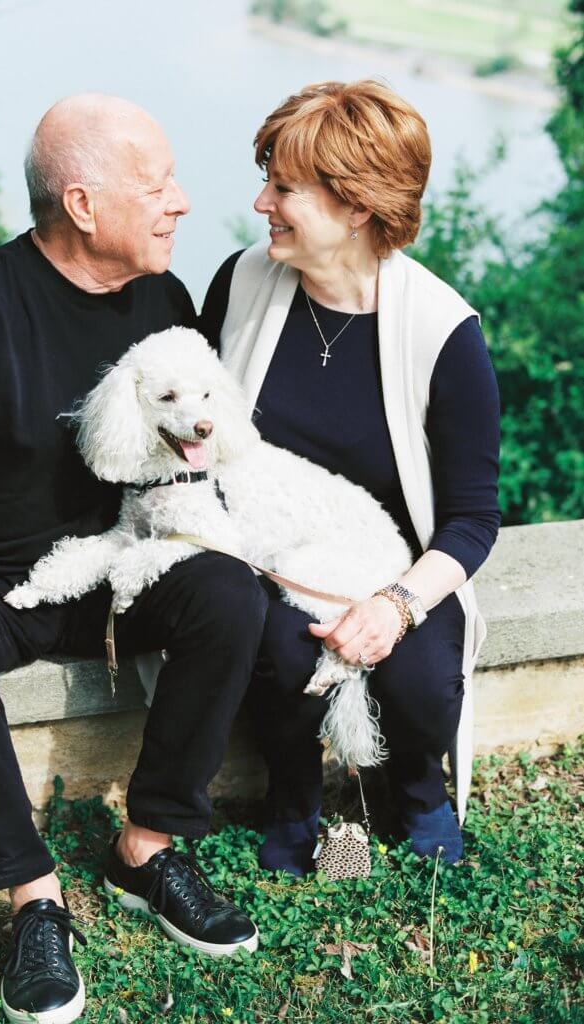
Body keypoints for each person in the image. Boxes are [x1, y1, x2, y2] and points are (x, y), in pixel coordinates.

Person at [0, 94, 264, 1024]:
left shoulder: (162, 299)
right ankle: (34, 896)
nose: (180, 202)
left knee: (227, 596)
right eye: (156, 183)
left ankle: (148, 849)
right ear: (82, 205)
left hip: (113, 563)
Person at [199, 79, 501, 876]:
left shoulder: (445, 333)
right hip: (268, 557)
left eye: (283, 186)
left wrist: (395, 607)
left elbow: (472, 518)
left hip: (398, 569)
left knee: (418, 678)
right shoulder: (238, 284)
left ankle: (415, 789)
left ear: (357, 206)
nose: (260, 201)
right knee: (276, 645)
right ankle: (292, 796)